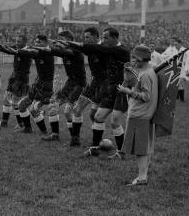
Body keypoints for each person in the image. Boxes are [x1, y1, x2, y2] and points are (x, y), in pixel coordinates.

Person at [68, 27, 130, 158]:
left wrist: (72, 43)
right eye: (103, 37)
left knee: (114, 122)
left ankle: (121, 152)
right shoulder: (107, 48)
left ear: (114, 38)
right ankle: (94, 148)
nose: (103, 40)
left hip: (121, 91)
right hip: (109, 88)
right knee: (98, 117)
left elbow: (99, 48)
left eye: (106, 37)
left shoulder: (122, 50)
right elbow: (93, 49)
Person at [116, 45, 158, 186]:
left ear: (140, 58)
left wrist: (128, 91)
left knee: (140, 150)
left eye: (134, 58)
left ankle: (141, 178)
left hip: (139, 115)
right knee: (144, 148)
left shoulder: (145, 74)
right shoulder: (148, 71)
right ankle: (143, 175)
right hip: (144, 115)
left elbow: (146, 96)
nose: (132, 61)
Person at [48, 30, 87, 144]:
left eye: (62, 39)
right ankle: (55, 135)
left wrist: (57, 45)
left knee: (68, 111)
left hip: (79, 84)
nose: (59, 41)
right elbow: (55, 51)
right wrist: (46, 46)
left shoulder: (76, 50)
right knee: (53, 105)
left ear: (69, 40)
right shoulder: (64, 51)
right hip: (70, 83)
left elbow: (67, 52)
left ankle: (75, 138)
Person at [67, 27, 103, 147]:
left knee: (95, 115)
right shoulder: (89, 49)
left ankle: (98, 143)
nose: (85, 39)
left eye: (87, 37)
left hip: (104, 85)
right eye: (85, 37)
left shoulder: (104, 49)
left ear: (96, 37)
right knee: (77, 109)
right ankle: (75, 139)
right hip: (93, 83)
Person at [0, 35, 32, 129]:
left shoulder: (27, 51)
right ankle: (4, 122)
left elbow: (9, 50)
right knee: (6, 99)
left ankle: (21, 124)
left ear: (25, 42)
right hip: (14, 77)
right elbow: (9, 47)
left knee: (15, 102)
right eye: (16, 41)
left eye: (19, 42)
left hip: (21, 79)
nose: (17, 43)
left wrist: (0, 48)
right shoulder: (18, 47)